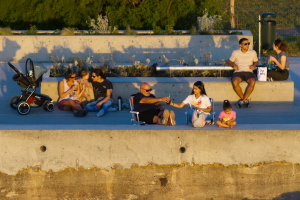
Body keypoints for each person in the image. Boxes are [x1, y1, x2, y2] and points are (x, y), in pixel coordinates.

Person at [228, 38, 259, 108]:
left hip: (249, 71)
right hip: (238, 72)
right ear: (240, 45)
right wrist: (233, 65)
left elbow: (256, 61)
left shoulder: (253, 52)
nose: (247, 45)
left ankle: (242, 101)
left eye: (248, 43)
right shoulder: (235, 52)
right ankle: (245, 100)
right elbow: (229, 62)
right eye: (245, 44)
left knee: (253, 82)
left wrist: (254, 65)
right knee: (235, 82)